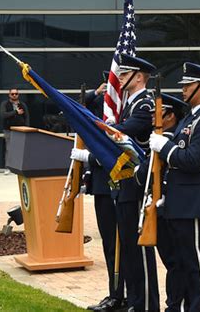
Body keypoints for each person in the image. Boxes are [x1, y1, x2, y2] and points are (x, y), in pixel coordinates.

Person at [148, 62, 200, 311]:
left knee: (197, 263)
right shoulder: (192, 118)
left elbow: (193, 160)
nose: (183, 90)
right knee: (184, 261)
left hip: (194, 201)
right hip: (180, 200)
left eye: (188, 85)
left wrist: (164, 147)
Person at [71, 82, 127, 311]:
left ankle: (122, 296)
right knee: (109, 244)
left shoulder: (124, 112)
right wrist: (95, 93)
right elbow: (80, 109)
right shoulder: (102, 107)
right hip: (102, 185)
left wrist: (89, 159)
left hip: (117, 183)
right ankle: (114, 293)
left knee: (120, 245)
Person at [114, 54, 160, 312]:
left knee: (139, 247)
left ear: (139, 77)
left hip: (138, 182)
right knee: (130, 246)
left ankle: (145, 304)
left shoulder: (144, 103)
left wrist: (102, 128)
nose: (119, 78)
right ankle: (135, 301)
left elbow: (128, 130)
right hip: (125, 181)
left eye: (124, 73)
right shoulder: (129, 102)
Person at [135, 93, 188, 311]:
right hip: (160, 207)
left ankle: (175, 305)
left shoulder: (170, 139)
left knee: (176, 263)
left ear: (169, 115)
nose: (152, 118)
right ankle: (174, 304)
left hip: (170, 207)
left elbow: (144, 174)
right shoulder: (162, 138)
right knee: (172, 262)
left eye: (158, 113)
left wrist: (140, 169)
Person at [0, 88, 30, 174]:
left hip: (20, 130)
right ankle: (8, 168)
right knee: (9, 149)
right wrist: (15, 112)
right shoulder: (5, 104)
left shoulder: (22, 105)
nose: (14, 95)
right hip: (9, 130)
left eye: (16, 94)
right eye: (12, 94)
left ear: (18, 95)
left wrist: (26, 128)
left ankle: (18, 168)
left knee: (20, 150)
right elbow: (3, 115)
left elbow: (27, 117)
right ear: (9, 95)